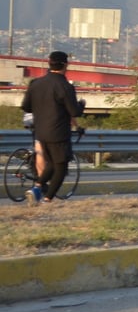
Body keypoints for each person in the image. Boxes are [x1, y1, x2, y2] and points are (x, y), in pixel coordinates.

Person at [20, 50, 83, 205]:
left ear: (49, 63)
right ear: (65, 64)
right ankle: (46, 199)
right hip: (59, 133)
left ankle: (36, 188)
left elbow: (26, 106)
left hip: (41, 132)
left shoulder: (36, 83)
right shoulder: (64, 86)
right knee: (60, 167)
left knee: (53, 164)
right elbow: (74, 111)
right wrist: (82, 104)